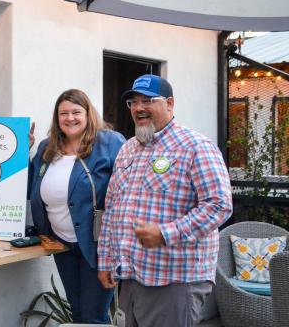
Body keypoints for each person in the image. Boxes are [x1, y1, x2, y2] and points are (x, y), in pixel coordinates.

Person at [97, 75, 232, 327]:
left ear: (169, 104)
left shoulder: (195, 146)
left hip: (175, 280)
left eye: (148, 100)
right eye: (133, 102)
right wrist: (106, 261)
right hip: (131, 275)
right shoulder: (128, 149)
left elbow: (219, 205)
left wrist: (166, 233)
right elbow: (112, 209)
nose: (138, 108)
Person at [28, 89, 126, 324]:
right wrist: (21, 150)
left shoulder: (110, 142)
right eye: (64, 113)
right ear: (57, 117)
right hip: (62, 244)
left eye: (76, 112)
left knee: (94, 316)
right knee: (78, 311)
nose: (69, 118)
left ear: (88, 113)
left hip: (97, 245)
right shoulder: (46, 147)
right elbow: (28, 184)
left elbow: (127, 189)